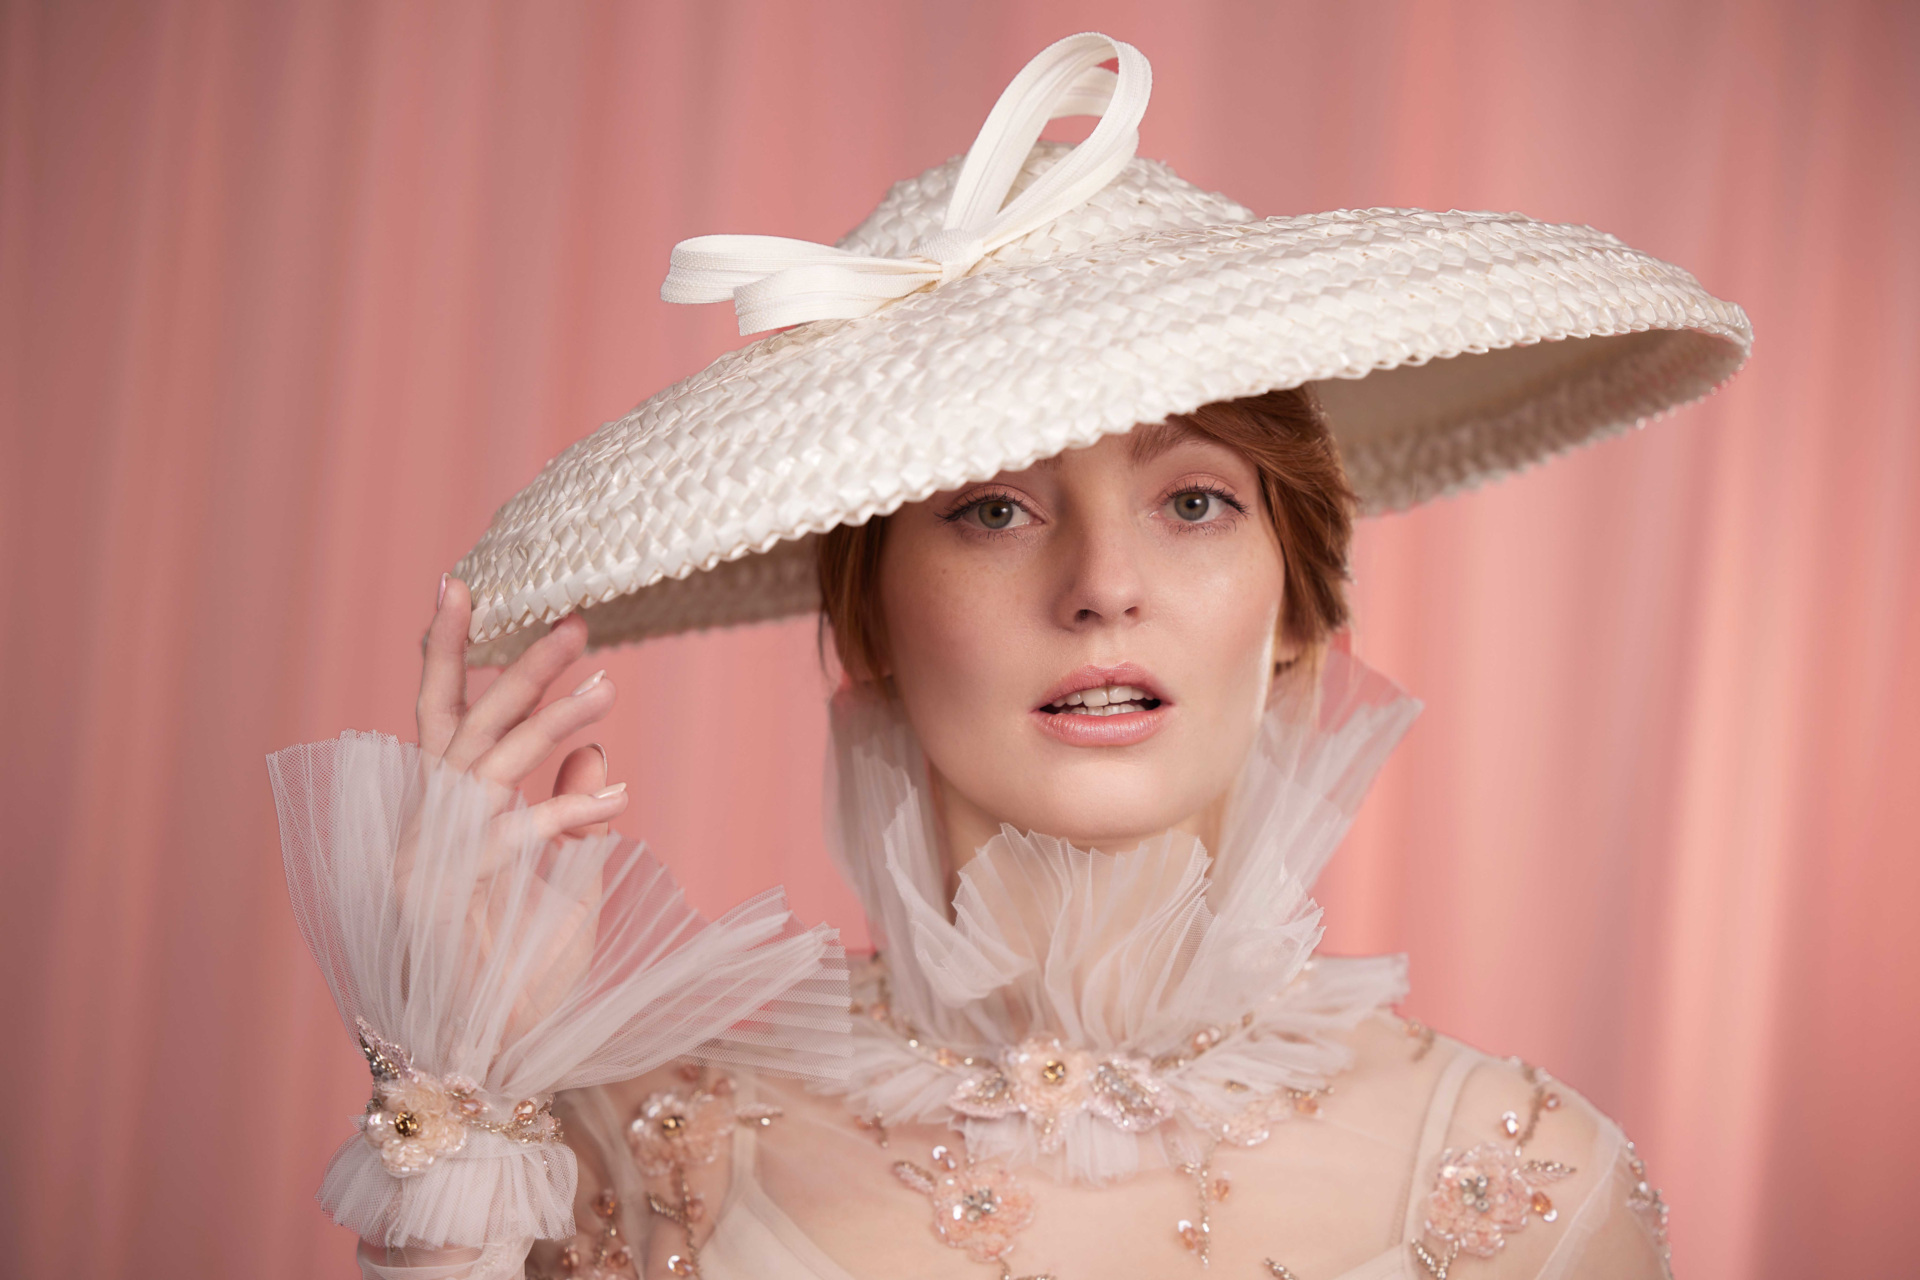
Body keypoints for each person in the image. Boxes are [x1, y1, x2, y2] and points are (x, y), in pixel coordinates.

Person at [275, 33, 1750, 1280]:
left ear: (1299, 599)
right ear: (866, 617)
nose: (1104, 586)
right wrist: (460, 1089)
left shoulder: (1528, 1184)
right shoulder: (627, 1150)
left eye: (1193, 501)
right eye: (990, 509)